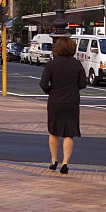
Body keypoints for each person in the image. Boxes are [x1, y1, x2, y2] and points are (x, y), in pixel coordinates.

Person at [40, 36, 86, 175]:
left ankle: (54, 160)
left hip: (55, 101)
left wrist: (51, 91)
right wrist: (72, 89)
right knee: (68, 133)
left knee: (54, 131)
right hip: (71, 101)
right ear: (72, 49)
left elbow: (43, 83)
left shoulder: (51, 64)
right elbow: (83, 83)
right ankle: (65, 163)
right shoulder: (77, 64)